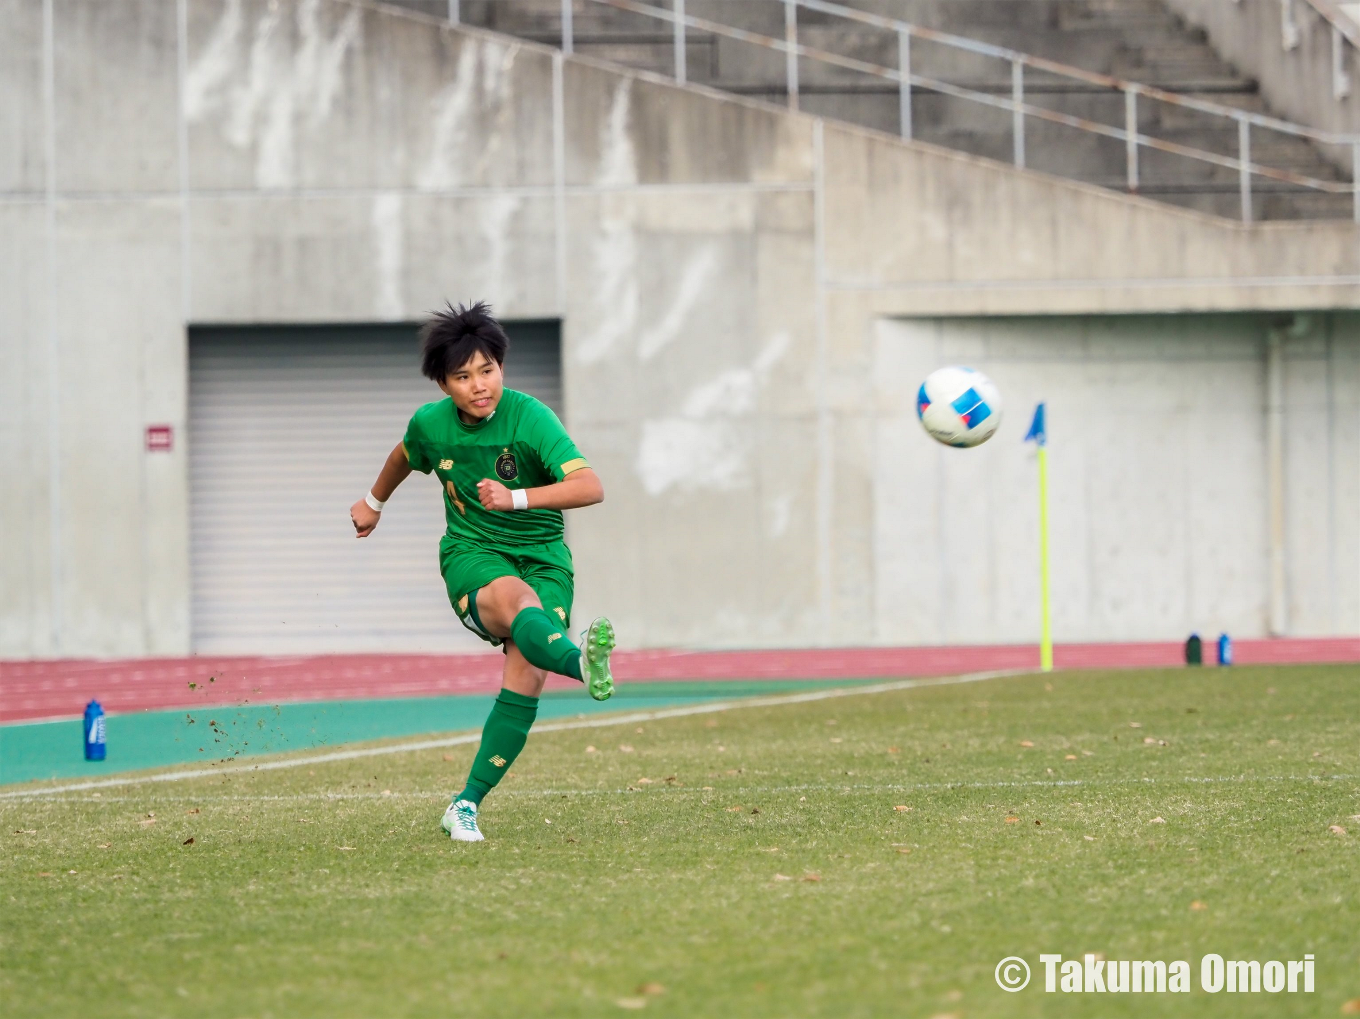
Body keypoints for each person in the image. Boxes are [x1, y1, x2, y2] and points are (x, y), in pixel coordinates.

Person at [349, 301, 615, 842]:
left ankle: (465, 804)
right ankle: (580, 663)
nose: (479, 386)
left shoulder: (531, 417)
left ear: (501, 366)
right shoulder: (430, 424)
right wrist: (373, 502)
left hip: (544, 556)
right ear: (443, 384)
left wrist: (516, 497)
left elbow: (590, 487)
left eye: (487, 370)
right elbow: (403, 455)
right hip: (474, 554)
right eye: (463, 376)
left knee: (527, 674)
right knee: (518, 601)